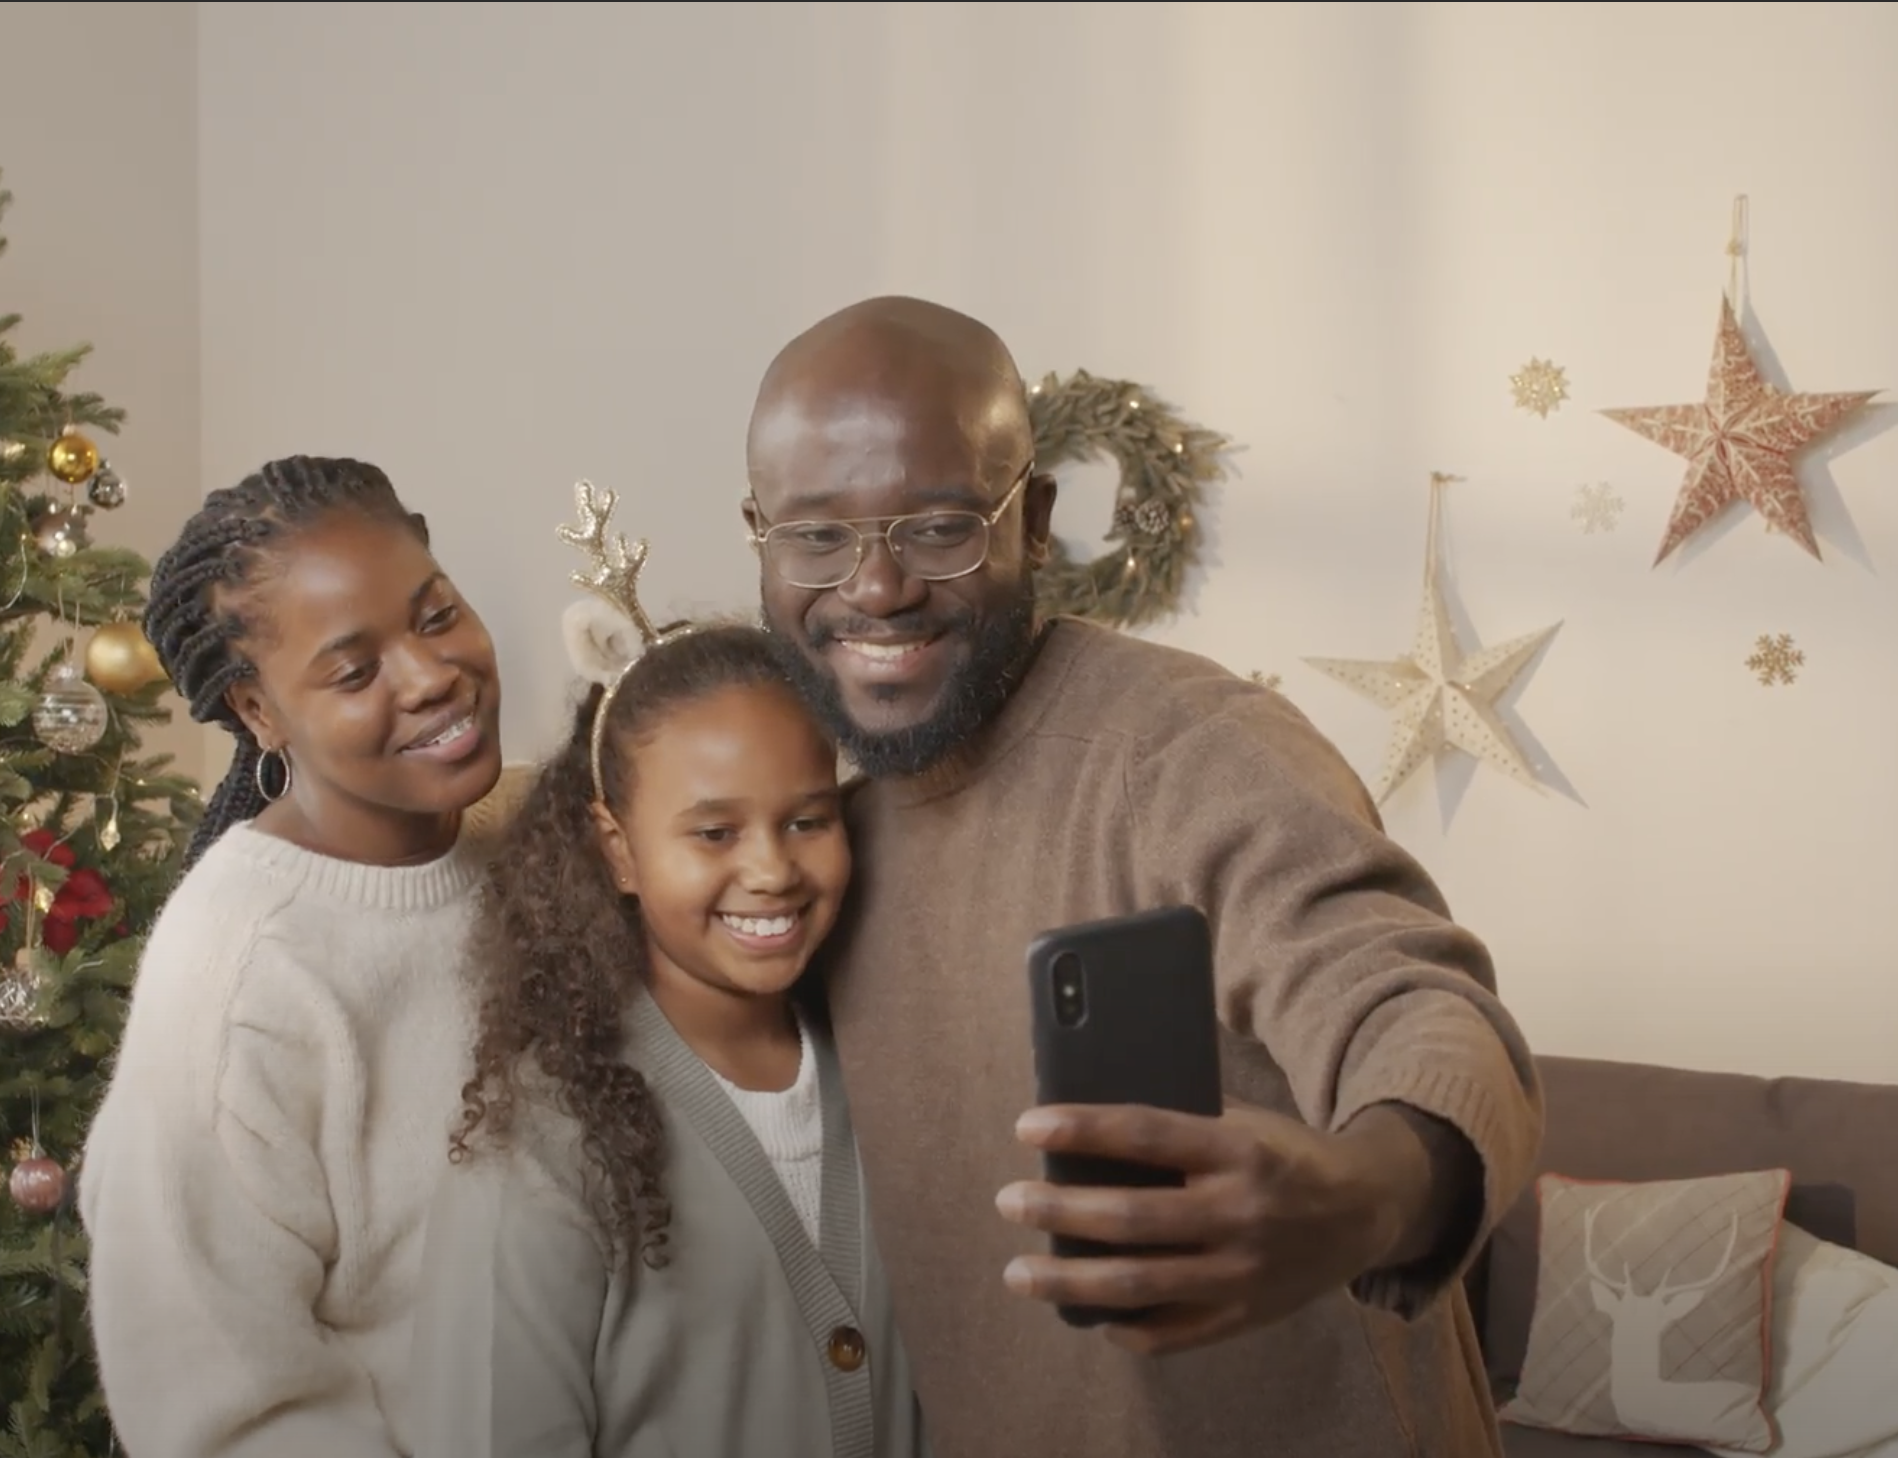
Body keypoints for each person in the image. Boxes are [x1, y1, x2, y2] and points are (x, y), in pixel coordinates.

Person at [737, 296, 1545, 1456]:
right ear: (761, 539)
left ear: (1034, 523)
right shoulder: (814, 845)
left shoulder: (1186, 750)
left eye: (940, 526)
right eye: (818, 536)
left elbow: (1412, 1002)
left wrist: (1368, 1194)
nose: (875, 588)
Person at [410, 486, 924, 1458]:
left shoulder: (889, 1073)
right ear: (617, 850)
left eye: (806, 819)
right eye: (714, 832)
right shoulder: (545, 1145)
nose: (771, 870)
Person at [77, 454, 525, 1458]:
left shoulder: (530, 864)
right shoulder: (235, 976)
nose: (432, 675)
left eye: (438, 615)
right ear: (259, 712)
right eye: (356, 671)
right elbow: (217, 1409)